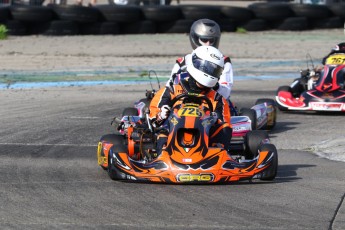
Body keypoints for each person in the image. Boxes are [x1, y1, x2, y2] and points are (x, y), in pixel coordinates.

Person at [150, 46, 232, 155]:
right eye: (208, 69)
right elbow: (153, 117)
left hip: (204, 139)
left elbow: (223, 123)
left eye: (215, 70)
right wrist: (161, 115)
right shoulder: (172, 90)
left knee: (226, 127)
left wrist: (212, 119)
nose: (211, 73)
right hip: (172, 133)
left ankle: (217, 158)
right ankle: (163, 158)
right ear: (197, 64)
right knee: (162, 133)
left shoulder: (217, 99)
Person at [166, 19, 234, 103]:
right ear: (195, 39)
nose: (208, 44)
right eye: (204, 40)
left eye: (212, 41)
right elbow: (169, 88)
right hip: (183, 103)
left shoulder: (223, 62)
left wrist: (212, 84)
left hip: (212, 103)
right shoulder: (183, 62)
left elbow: (225, 92)